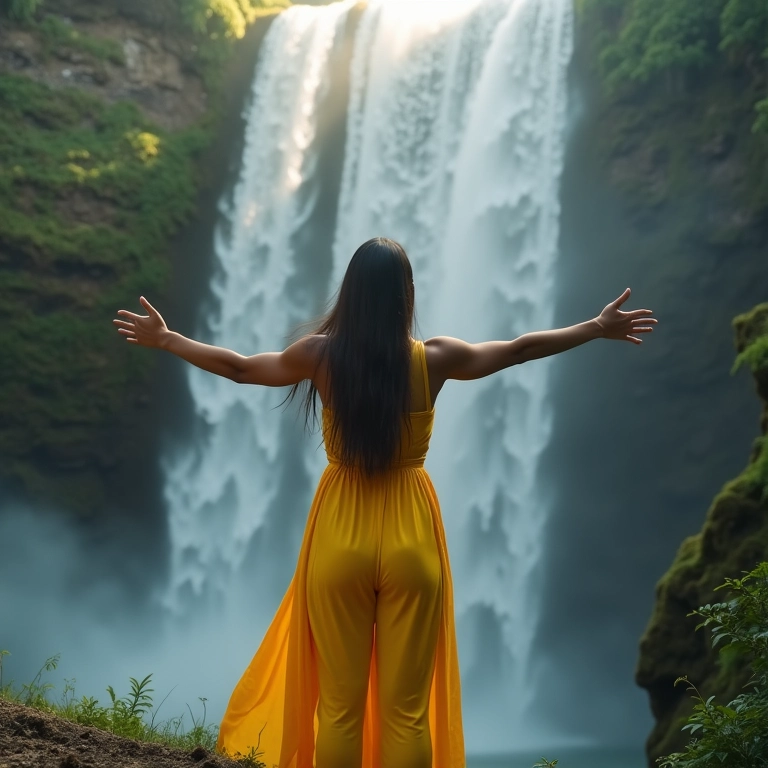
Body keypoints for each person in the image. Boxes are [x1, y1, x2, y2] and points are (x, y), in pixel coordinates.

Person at [113, 236, 656, 768]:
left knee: (341, 710)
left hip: (340, 534)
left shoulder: (319, 357)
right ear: (407, 295)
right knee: (407, 714)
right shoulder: (436, 359)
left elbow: (240, 367)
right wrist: (596, 327)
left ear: (349, 293)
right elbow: (518, 349)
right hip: (411, 536)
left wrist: (168, 340)